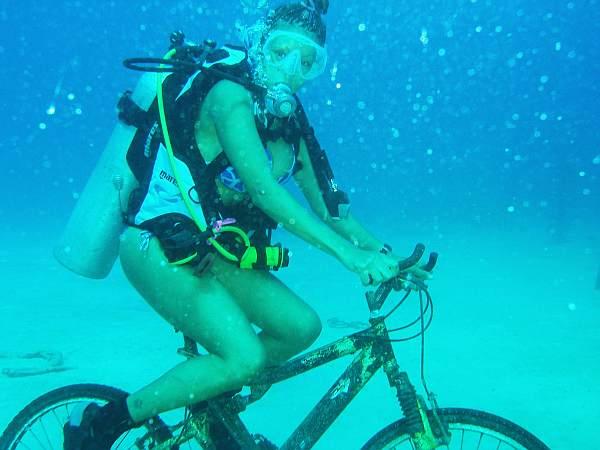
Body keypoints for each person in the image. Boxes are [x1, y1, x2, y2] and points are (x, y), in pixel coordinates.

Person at [63, 1, 428, 448]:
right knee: (246, 356)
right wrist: (351, 258)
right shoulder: (229, 97)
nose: (291, 70)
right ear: (259, 46)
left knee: (301, 327)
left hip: (214, 252)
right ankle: (107, 422)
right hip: (158, 245)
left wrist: (389, 256)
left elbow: (333, 209)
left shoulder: (289, 120)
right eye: (281, 53)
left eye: (307, 61)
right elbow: (264, 192)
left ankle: (213, 404)